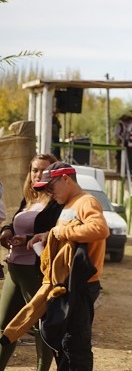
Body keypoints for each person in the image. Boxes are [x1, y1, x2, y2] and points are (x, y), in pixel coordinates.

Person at [0, 162, 108, 371]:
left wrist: (60, 233)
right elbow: (67, 234)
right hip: (65, 284)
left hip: (81, 285)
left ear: (65, 179)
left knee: (75, 345)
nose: (49, 193)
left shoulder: (86, 201)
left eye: (50, 187)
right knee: (62, 342)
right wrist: (47, 235)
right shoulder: (68, 204)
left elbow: (99, 229)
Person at [0, 154, 62, 371]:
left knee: (40, 325)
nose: (37, 174)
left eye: (43, 170)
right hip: (14, 268)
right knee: (5, 326)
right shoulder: (30, 197)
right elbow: (15, 220)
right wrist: (6, 231)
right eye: (34, 169)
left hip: (36, 270)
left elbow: (56, 231)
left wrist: (27, 239)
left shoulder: (56, 202)